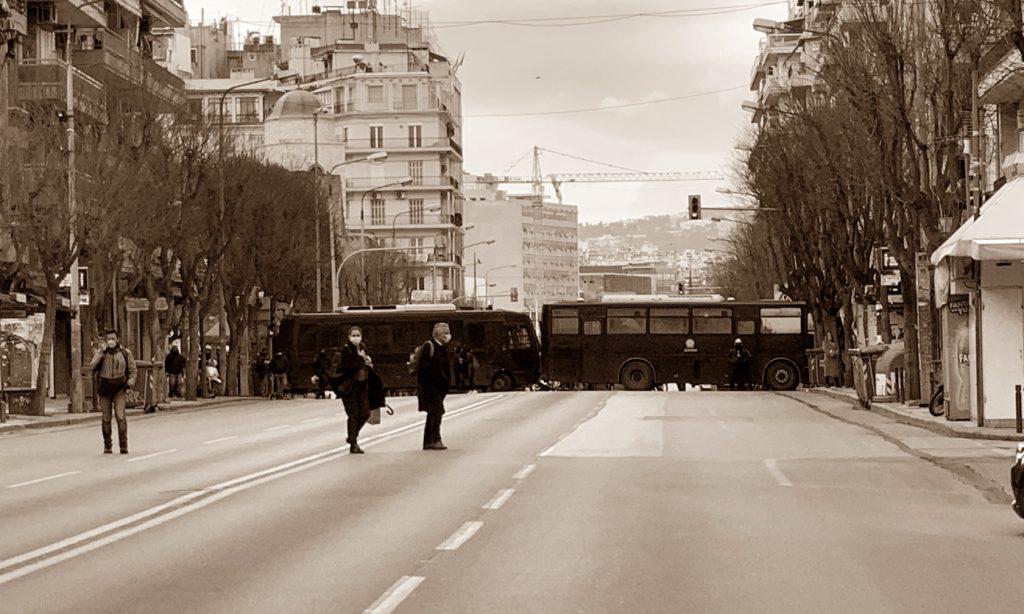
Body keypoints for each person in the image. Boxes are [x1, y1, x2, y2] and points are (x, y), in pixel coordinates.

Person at [89, 330, 137, 454]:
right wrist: (101, 353)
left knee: (120, 417)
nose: (111, 341)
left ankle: (123, 445)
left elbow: (132, 370)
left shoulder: (125, 353)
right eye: (108, 339)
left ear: (117, 339)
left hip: (119, 389)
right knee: (106, 418)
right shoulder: (102, 354)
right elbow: (92, 366)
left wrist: (131, 381)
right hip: (104, 390)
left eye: (113, 338)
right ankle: (107, 445)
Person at [337, 327, 373, 454]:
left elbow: (365, 365)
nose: (356, 337)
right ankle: (353, 444)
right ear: (349, 336)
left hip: (362, 386)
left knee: (365, 413)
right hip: (349, 387)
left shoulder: (362, 347)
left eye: (358, 335)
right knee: (353, 415)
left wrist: (368, 363)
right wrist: (361, 359)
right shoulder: (346, 350)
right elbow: (348, 368)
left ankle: (352, 436)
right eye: (354, 335)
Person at [417, 322, 452, 450]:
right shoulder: (430, 346)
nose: (448, 336)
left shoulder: (442, 347)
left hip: (439, 388)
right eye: (446, 333)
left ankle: (428, 442)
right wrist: (437, 378)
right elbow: (424, 367)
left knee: (432, 413)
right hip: (429, 387)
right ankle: (435, 439)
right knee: (437, 411)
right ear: (438, 335)